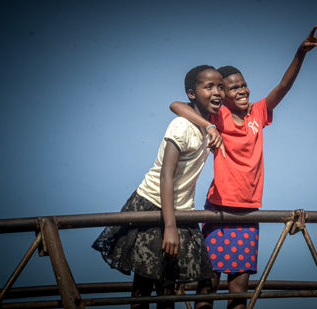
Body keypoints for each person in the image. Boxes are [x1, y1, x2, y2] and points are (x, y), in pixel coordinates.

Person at [170, 26, 317, 309]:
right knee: (208, 285)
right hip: (217, 210)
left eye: (243, 85)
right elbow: (177, 105)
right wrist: (207, 126)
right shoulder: (219, 116)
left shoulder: (259, 112)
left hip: (249, 210)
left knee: (238, 292)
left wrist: (300, 54)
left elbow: (283, 87)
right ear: (222, 95)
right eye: (234, 88)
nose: (242, 90)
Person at [92, 65, 225, 309]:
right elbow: (166, 175)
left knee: (188, 280)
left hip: (183, 209)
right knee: (146, 282)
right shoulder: (181, 126)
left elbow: (180, 103)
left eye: (220, 86)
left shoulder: (210, 123)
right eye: (209, 86)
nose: (217, 91)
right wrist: (170, 227)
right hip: (153, 204)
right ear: (192, 93)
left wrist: (210, 126)